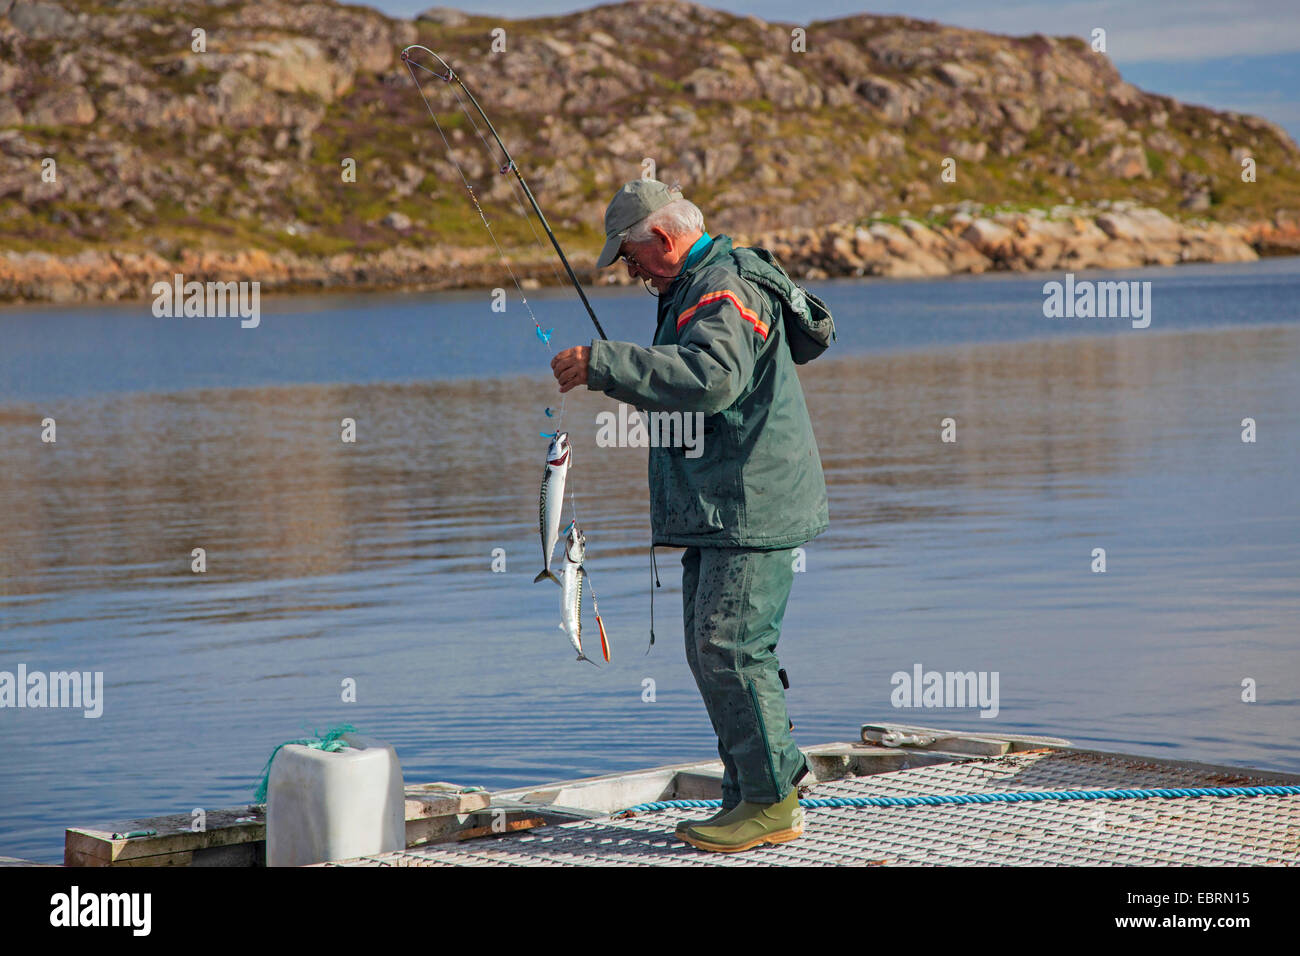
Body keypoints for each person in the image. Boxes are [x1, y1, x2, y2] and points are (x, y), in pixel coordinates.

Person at [550, 180, 829, 853]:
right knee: (712, 649)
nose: (630, 270)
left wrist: (604, 364)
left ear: (665, 240)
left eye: (632, 255)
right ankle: (755, 785)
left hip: (748, 502)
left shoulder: (723, 287)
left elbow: (713, 379)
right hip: (721, 501)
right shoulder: (697, 285)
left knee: (730, 648)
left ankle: (770, 801)